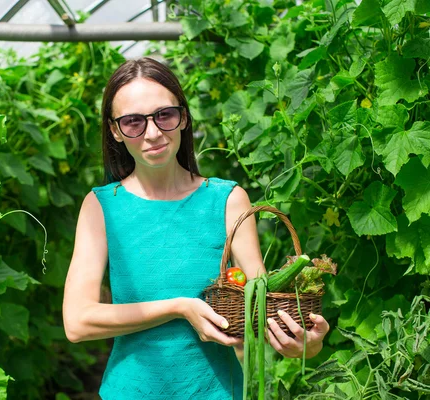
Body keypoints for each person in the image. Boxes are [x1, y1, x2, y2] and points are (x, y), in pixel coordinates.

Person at [62, 57, 329, 399]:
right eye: (133, 122)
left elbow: (260, 306)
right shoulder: (101, 206)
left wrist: (304, 344)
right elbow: (77, 322)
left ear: (183, 117)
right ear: (115, 131)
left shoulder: (228, 199)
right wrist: (179, 307)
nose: (153, 133)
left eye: (165, 115)